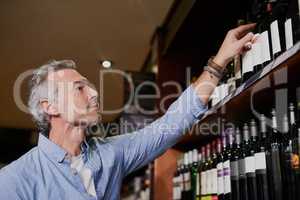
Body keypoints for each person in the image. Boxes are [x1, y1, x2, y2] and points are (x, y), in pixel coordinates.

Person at [0, 24, 255, 199]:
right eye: (80, 88)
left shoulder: (111, 153)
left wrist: (219, 62)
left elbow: (171, 124)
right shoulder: (14, 180)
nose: (94, 93)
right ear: (50, 107)